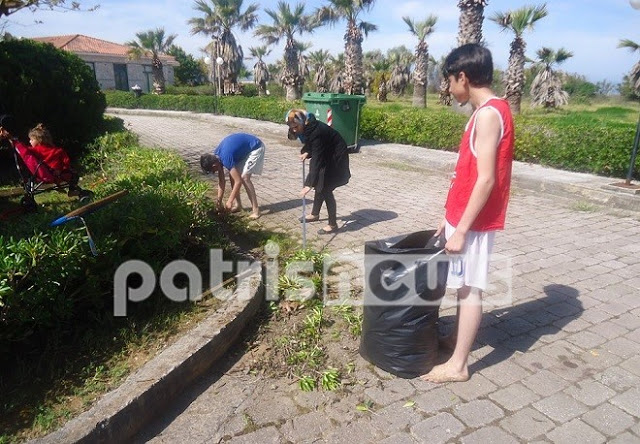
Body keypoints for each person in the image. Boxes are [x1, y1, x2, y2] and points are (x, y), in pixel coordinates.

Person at [421, 43, 514, 383]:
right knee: (461, 284)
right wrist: (448, 217)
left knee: (470, 288)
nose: (447, 88)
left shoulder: (489, 114)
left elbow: (487, 178)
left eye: (448, 81)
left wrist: (461, 229)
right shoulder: (486, 110)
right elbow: (467, 173)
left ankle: (459, 366)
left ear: (463, 76)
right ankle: (454, 340)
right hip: (463, 216)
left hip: (474, 222)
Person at [286, 109, 351, 235]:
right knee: (320, 185)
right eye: (291, 127)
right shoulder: (309, 127)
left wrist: (308, 183)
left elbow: (317, 159)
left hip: (336, 158)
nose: (293, 130)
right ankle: (315, 214)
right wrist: (307, 151)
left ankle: (333, 225)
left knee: (325, 188)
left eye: (295, 126)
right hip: (327, 154)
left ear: (303, 122)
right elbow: (312, 144)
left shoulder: (316, 131)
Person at [200, 132, 265, 219]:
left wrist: (229, 201)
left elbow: (238, 182)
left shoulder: (225, 158)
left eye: (213, 171)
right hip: (244, 151)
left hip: (256, 147)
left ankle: (256, 211)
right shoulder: (217, 156)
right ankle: (238, 205)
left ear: (214, 165)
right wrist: (218, 202)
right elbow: (221, 182)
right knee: (232, 176)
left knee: (245, 178)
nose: (214, 172)